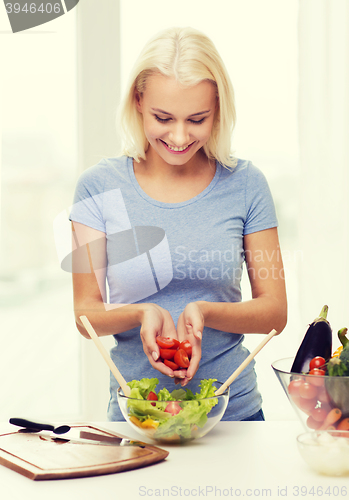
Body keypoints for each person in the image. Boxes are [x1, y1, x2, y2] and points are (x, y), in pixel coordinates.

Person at [70, 26, 287, 422]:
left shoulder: (246, 184)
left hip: (233, 416)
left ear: (218, 109)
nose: (180, 136)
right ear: (138, 101)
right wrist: (141, 313)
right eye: (163, 117)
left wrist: (203, 311)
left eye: (197, 119)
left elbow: (274, 312)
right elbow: (85, 315)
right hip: (137, 419)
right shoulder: (97, 187)